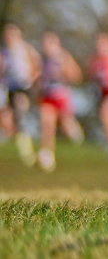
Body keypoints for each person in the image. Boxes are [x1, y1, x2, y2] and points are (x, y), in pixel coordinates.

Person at [36, 32, 85, 170]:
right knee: (47, 123)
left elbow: (77, 76)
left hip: (62, 96)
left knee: (66, 126)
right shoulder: (43, 59)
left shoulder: (63, 57)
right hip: (47, 96)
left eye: (50, 43)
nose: (47, 46)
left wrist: (64, 72)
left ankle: (76, 135)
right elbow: (37, 76)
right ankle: (47, 154)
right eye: (45, 43)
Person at [2, 23, 37, 165]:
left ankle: (27, 153)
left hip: (24, 88)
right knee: (9, 119)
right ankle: (21, 148)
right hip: (10, 88)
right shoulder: (4, 52)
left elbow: (37, 67)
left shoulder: (25, 49)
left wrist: (31, 79)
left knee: (20, 112)